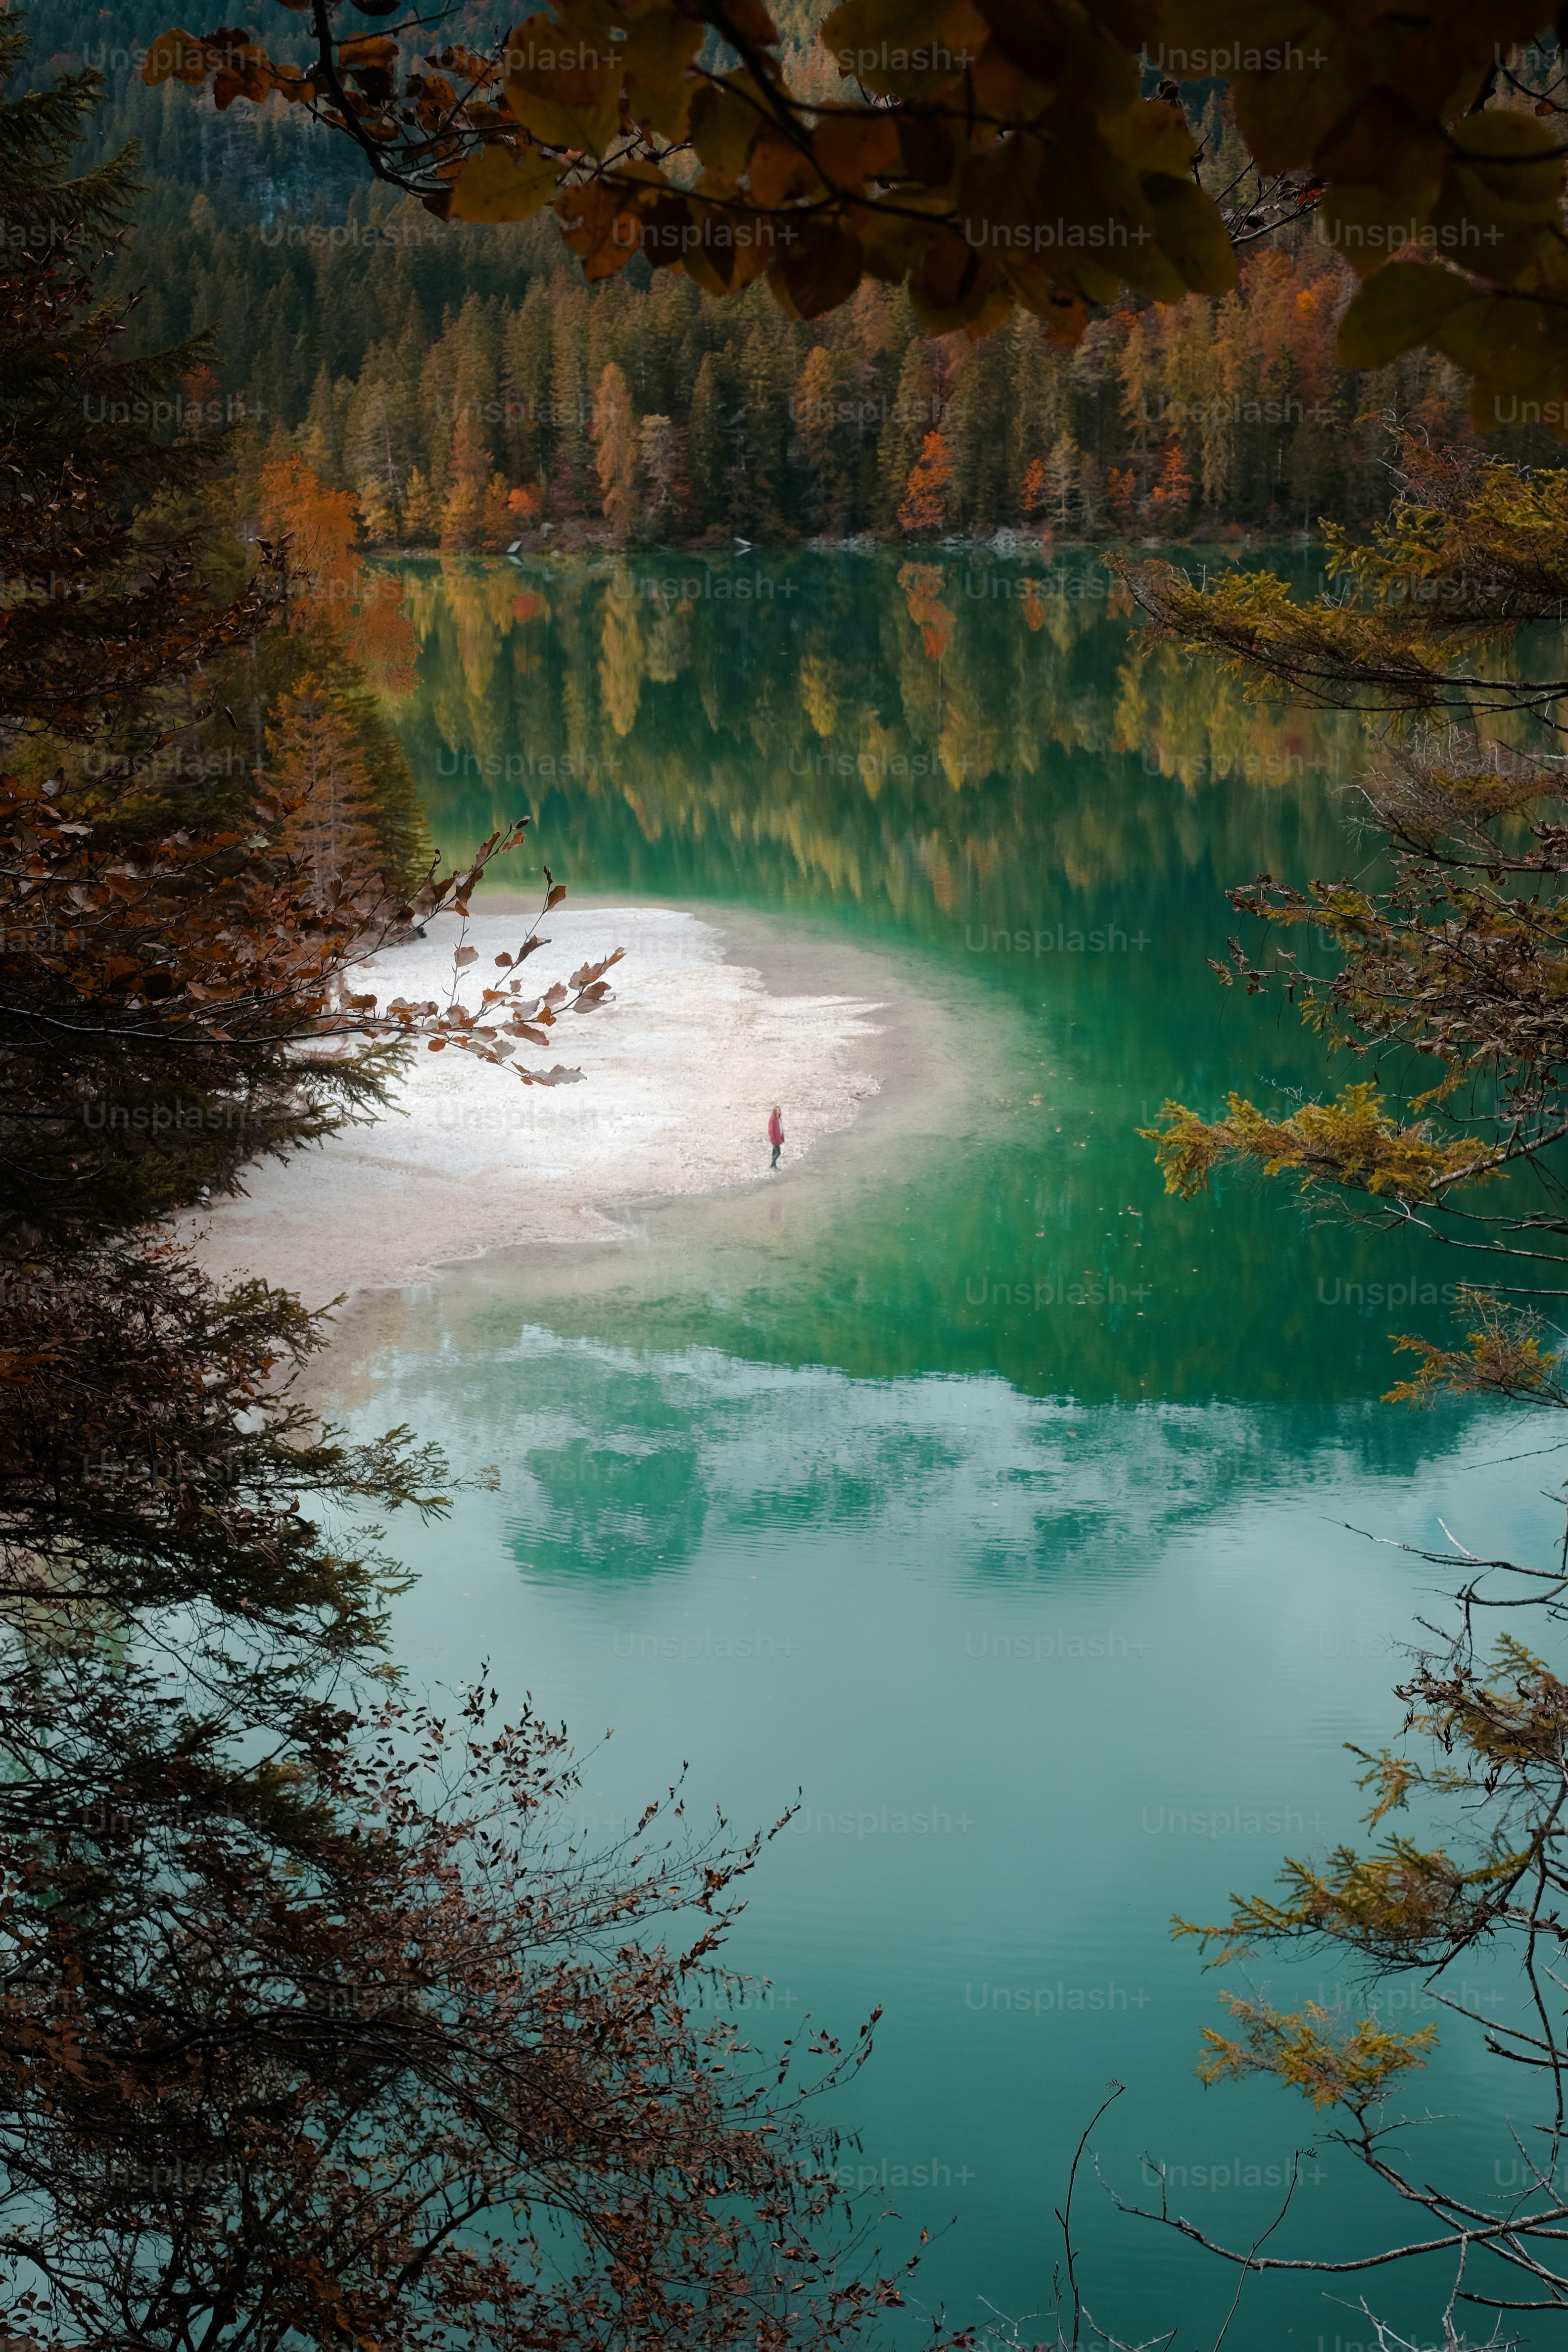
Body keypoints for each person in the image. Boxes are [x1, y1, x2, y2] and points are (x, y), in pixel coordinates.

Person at [767, 1105, 784, 1170]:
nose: (778, 1112)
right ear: (774, 1111)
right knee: (778, 1153)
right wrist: (772, 1139)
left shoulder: (778, 1118)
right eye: (777, 1110)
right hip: (775, 1139)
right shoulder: (773, 1119)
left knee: (774, 1152)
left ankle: (774, 1166)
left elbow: (780, 1128)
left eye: (779, 1110)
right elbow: (771, 1130)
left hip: (778, 1138)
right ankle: (772, 1165)